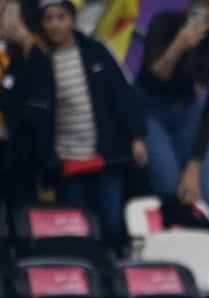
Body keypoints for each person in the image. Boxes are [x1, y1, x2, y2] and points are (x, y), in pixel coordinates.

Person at [39, 0, 146, 248]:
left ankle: (115, 273)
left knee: (110, 223)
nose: (55, 24)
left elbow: (122, 95)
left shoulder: (97, 51)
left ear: (73, 20)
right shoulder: (40, 62)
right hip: (67, 160)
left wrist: (137, 136)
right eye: (49, 18)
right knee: (76, 227)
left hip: (104, 156)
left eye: (61, 17)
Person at [136, 0, 209, 215]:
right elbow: (153, 79)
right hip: (151, 109)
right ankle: (175, 239)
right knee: (169, 184)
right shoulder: (165, 23)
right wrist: (179, 45)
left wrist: (195, 162)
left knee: (208, 196)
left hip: (188, 113)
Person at [0, 0, 54, 216]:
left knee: (20, 204)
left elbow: (42, 80)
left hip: (18, 141)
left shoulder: (33, 48)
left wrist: (25, 40)